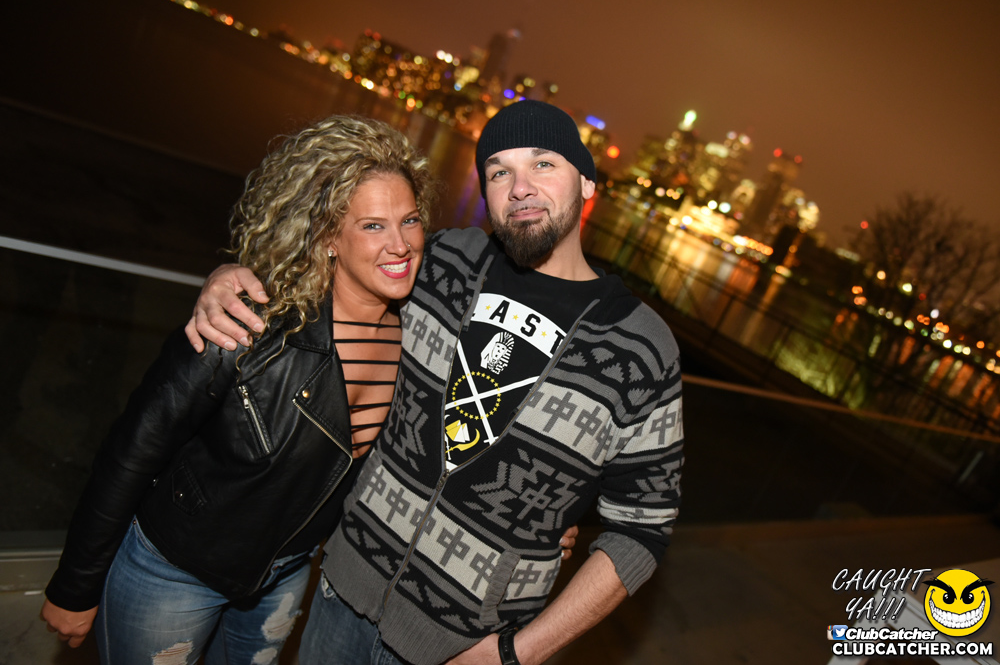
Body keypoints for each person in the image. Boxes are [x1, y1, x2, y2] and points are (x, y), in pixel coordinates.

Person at [189, 100, 683, 665]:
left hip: (466, 647)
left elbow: (640, 531)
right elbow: (330, 277)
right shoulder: (443, 259)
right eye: (499, 172)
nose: (520, 188)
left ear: (587, 182)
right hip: (341, 591)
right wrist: (232, 278)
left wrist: (515, 654)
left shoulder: (643, 348)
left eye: (543, 164)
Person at [39, 115, 436, 664]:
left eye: (410, 220)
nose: (400, 244)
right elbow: (134, 447)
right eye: (373, 226)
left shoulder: (422, 333)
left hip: (284, 577)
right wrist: (75, 584)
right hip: (175, 572)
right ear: (327, 238)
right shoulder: (245, 325)